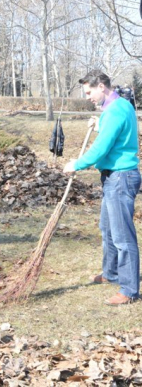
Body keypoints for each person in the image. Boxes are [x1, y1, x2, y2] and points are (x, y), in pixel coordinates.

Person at [63, 71, 140, 306]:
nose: (87, 97)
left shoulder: (115, 111)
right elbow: (116, 133)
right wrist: (100, 124)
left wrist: (77, 164)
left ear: (102, 87)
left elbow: (102, 148)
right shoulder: (118, 106)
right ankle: (111, 273)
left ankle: (128, 289)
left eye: (89, 92)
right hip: (113, 177)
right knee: (107, 229)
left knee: (122, 236)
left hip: (120, 177)